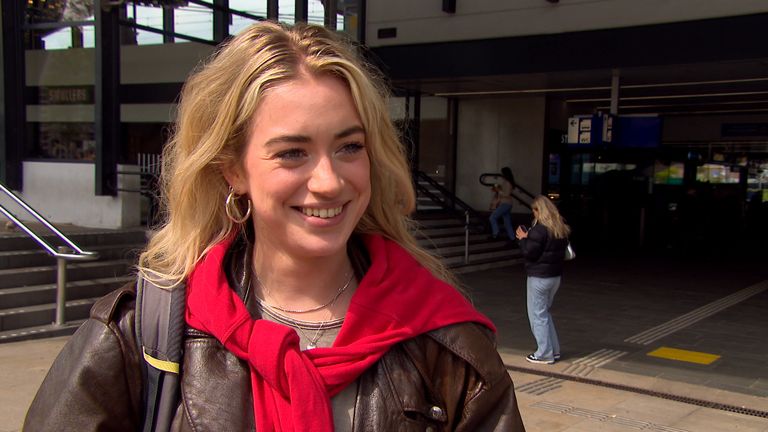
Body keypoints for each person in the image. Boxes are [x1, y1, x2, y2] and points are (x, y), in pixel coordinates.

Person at [24, 22, 526, 431]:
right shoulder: (141, 334)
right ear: (233, 169)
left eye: (350, 146)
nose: (329, 182)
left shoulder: (448, 345)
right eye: (292, 152)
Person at [515, 195, 570, 365]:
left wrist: (523, 239)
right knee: (544, 313)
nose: (533, 215)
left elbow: (530, 252)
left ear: (540, 211)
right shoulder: (560, 228)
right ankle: (554, 349)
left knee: (537, 316)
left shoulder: (540, 230)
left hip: (539, 277)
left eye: (534, 211)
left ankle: (544, 353)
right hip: (554, 276)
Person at [489, 166, 516, 241]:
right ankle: (512, 238)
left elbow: (506, 194)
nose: (501, 175)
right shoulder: (507, 182)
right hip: (506, 204)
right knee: (507, 222)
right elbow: (503, 194)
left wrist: (498, 190)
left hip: (506, 204)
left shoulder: (507, 182)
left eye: (502, 173)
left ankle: (496, 234)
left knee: (492, 217)